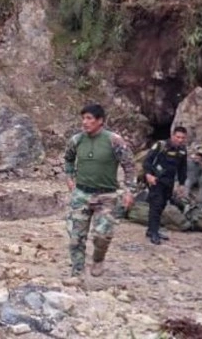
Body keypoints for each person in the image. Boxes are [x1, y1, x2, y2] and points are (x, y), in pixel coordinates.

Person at [63, 104, 136, 284]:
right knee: (75, 238)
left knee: (102, 236)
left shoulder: (114, 141)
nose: (85, 122)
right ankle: (77, 273)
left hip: (107, 196)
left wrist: (129, 191)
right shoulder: (77, 140)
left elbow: (129, 165)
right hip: (81, 194)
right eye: (83, 118)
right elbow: (68, 158)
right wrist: (69, 177)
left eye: (89, 118)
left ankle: (98, 259)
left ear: (100, 121)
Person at [142, 127, 188, 244]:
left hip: (169, 182)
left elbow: (183, 168)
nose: (180, 140)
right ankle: (154, 232)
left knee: (162, 205)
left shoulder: (182, 151)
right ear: (172, 136)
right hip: (155, 180)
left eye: (182, 138)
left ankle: (151, 229)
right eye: (178, 137)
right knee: (156, 205)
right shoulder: (161, 146)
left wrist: (182, 184)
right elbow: (147, 161)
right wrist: (148, 175)